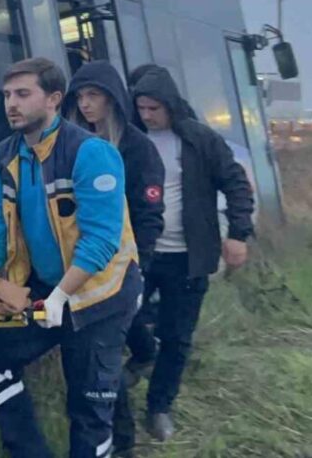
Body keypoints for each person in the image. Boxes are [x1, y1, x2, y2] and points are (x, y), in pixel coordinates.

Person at [0, 57, 142, 458]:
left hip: (102, 296)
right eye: (6, 95)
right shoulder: (3, 156)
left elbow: (102, 242)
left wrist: (59, 297)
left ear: (53, 99)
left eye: (22, 94)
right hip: (47, 288)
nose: (11, 104)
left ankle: (116, 444)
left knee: (87, 410)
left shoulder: (91, 153)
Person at [131, 65, 254, 442]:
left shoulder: (200, 139)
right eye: (141, 108)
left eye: (154, 108)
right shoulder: (132, 141)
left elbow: (236, 184)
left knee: (177, 336)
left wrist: (238, 234)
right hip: (142, 252)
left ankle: (159, 407)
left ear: (170, 104)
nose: (147, 115)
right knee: (124, 315)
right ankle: (143, 352)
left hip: (189, 256)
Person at [63, 60, 166, 455]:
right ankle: (118, 438)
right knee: (100, 363)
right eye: (81, 97)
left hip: (123, 274)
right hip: (83, 271)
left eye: (95, 96)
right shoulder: (73, 146)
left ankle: (121, 442)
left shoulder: (139, 149)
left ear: (113, 99)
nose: (86, 105)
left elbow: (148, 216)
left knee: (104, 360)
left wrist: (139, 269)